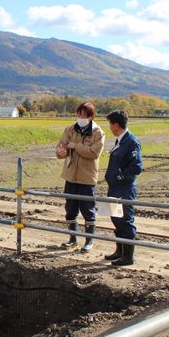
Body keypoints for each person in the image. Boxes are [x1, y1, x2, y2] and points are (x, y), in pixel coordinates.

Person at [55, 102, 105, 252]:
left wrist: (75, 146)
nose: (80, 118)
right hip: (71, 176)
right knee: (70, 209)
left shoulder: (98, 133)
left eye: (83, 115)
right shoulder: (70, 129)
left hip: (87, 178)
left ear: (90, 116)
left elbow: (94, 152)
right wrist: (61, 152)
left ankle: (89, 241)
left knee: (88, 210)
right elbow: (60, 146)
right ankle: (72, 238)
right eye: (78, 114)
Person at [103, 110, 143, 266]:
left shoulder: (131, 142)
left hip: (124, 188)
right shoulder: (119, 141)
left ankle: (128, 256)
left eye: (110, 124)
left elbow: (136, 166)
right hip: (114, 188)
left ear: (116, 125)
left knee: (126, 220)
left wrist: (121, 176)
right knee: (116, 218)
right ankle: (119, 251)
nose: (110, 127)